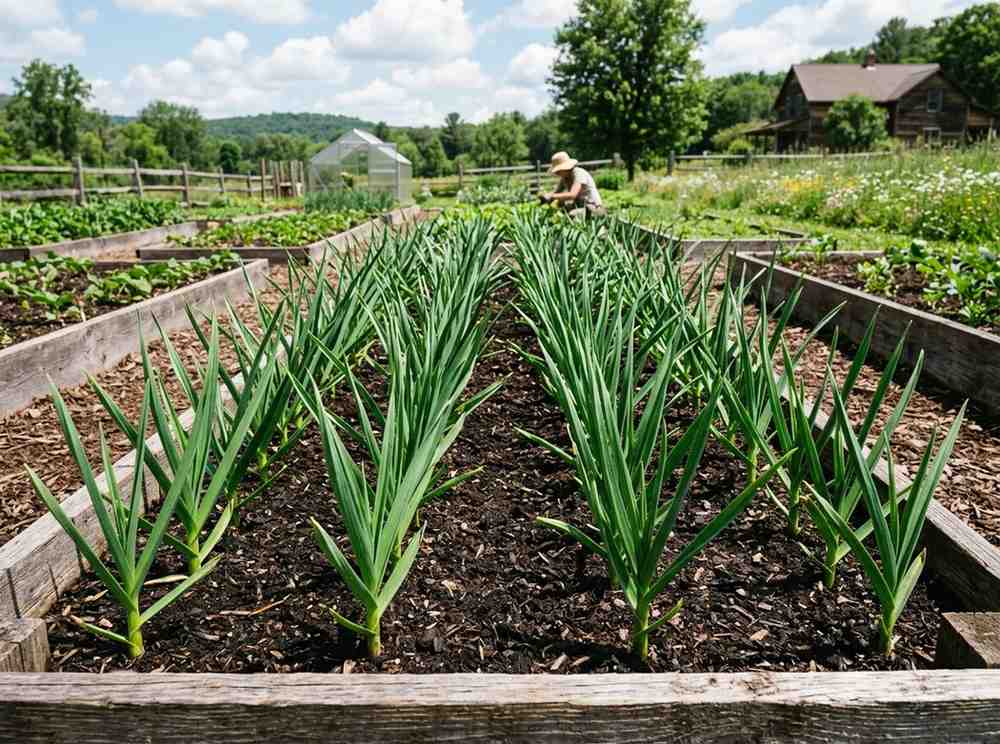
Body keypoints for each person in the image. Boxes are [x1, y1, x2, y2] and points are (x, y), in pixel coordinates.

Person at [540, 151, 606, 217]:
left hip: (593, 207)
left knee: (572, 214)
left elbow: (572, 195)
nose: (556, 173)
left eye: (558, 171)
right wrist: (546, 198)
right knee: (561, 210)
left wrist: (552, 196)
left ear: (565, 168)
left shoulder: (578, 173)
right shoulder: (565, 177)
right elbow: (556, 192)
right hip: (580, 205)